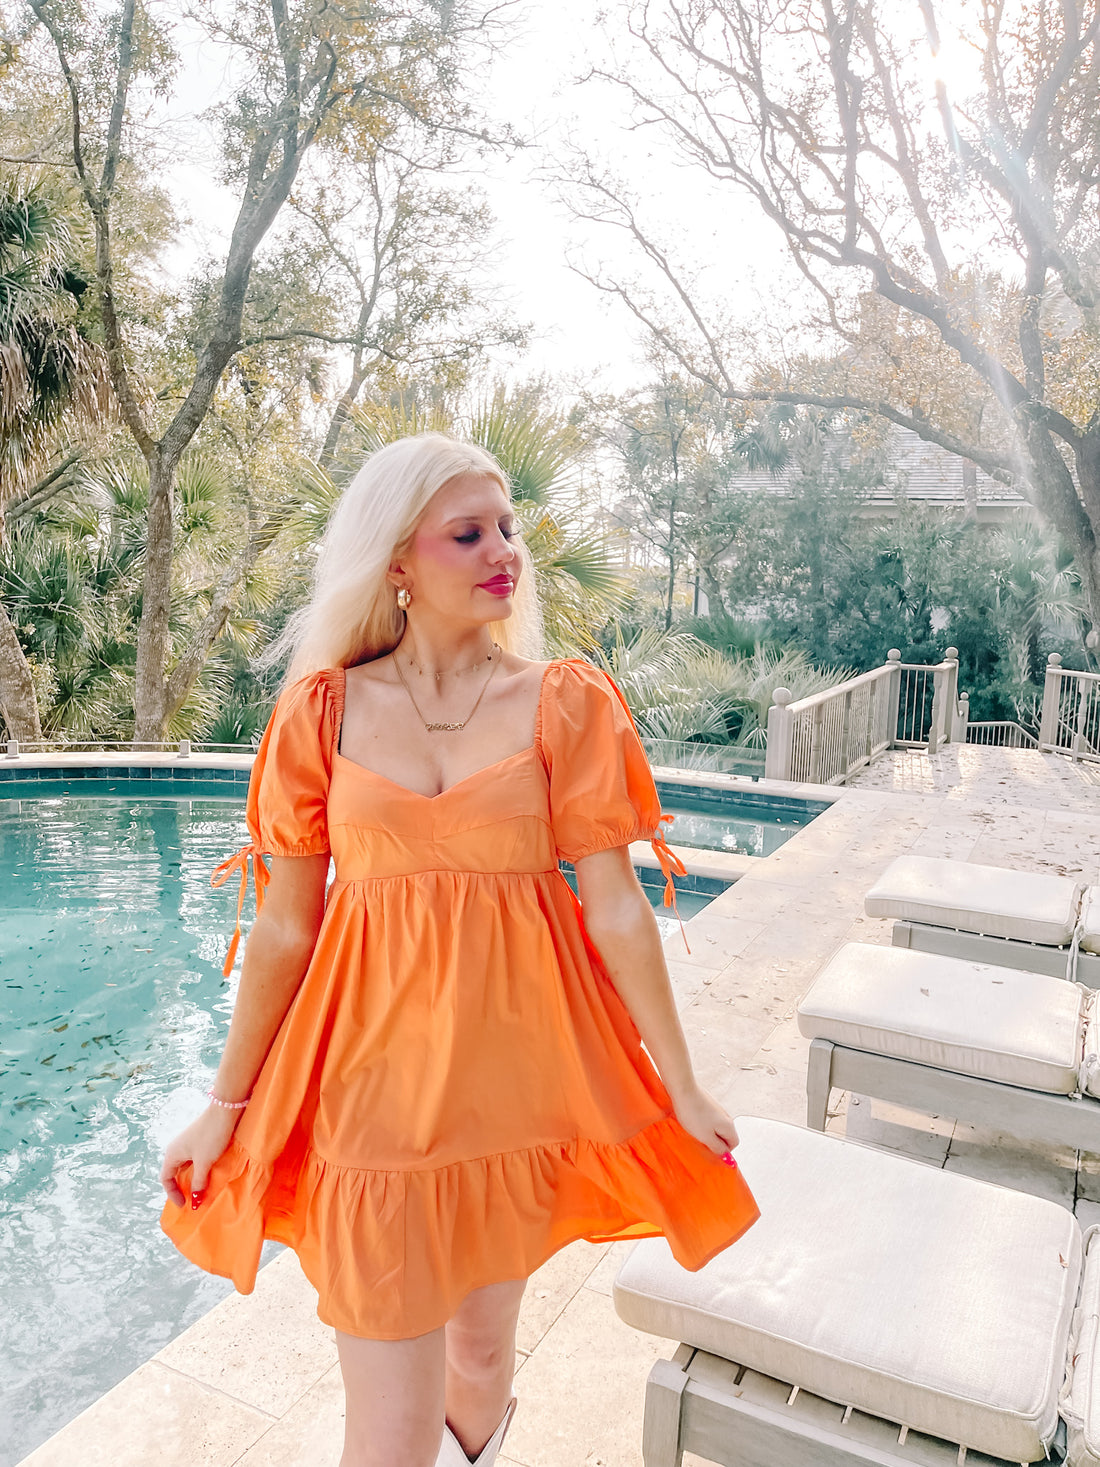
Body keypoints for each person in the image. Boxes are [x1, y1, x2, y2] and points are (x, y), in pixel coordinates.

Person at [160, 433, 758, 1467]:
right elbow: (286, 926)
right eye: (467, 533)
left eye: (508, 530)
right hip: (371, 1093)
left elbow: (616, 910)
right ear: (395, 561)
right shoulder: (323, 711)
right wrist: (227, 1107)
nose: (503, 552)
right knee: (386, 1435)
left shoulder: (564, 703)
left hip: (518, 1084)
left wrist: (681, 1085)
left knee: (480, 1366)